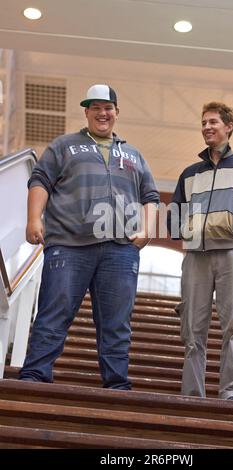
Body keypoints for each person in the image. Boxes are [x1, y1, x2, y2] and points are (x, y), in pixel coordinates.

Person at [19, 84, 159, 389]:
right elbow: (40, 180)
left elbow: (150, 195)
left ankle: (117, 385)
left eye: (107, 107)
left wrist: (147, 230)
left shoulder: (133, 154)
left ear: (117, 113)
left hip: (120, 250)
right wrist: (33, 219)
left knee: (117, 323)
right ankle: (34, 378)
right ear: (86, 112)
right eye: (95, 107)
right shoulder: (65, 145)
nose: (102, 113)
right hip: (69, 245)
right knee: (53, 314)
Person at [168, 101, 233, 401]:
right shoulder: (190, 173)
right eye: (203, 122)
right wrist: (183, 229)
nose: (207, 127)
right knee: (191, 329)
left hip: (232, 253)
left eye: (213, 122)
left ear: (229, 126)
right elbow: (174, 211)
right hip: (195, 257)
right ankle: (192, 396)